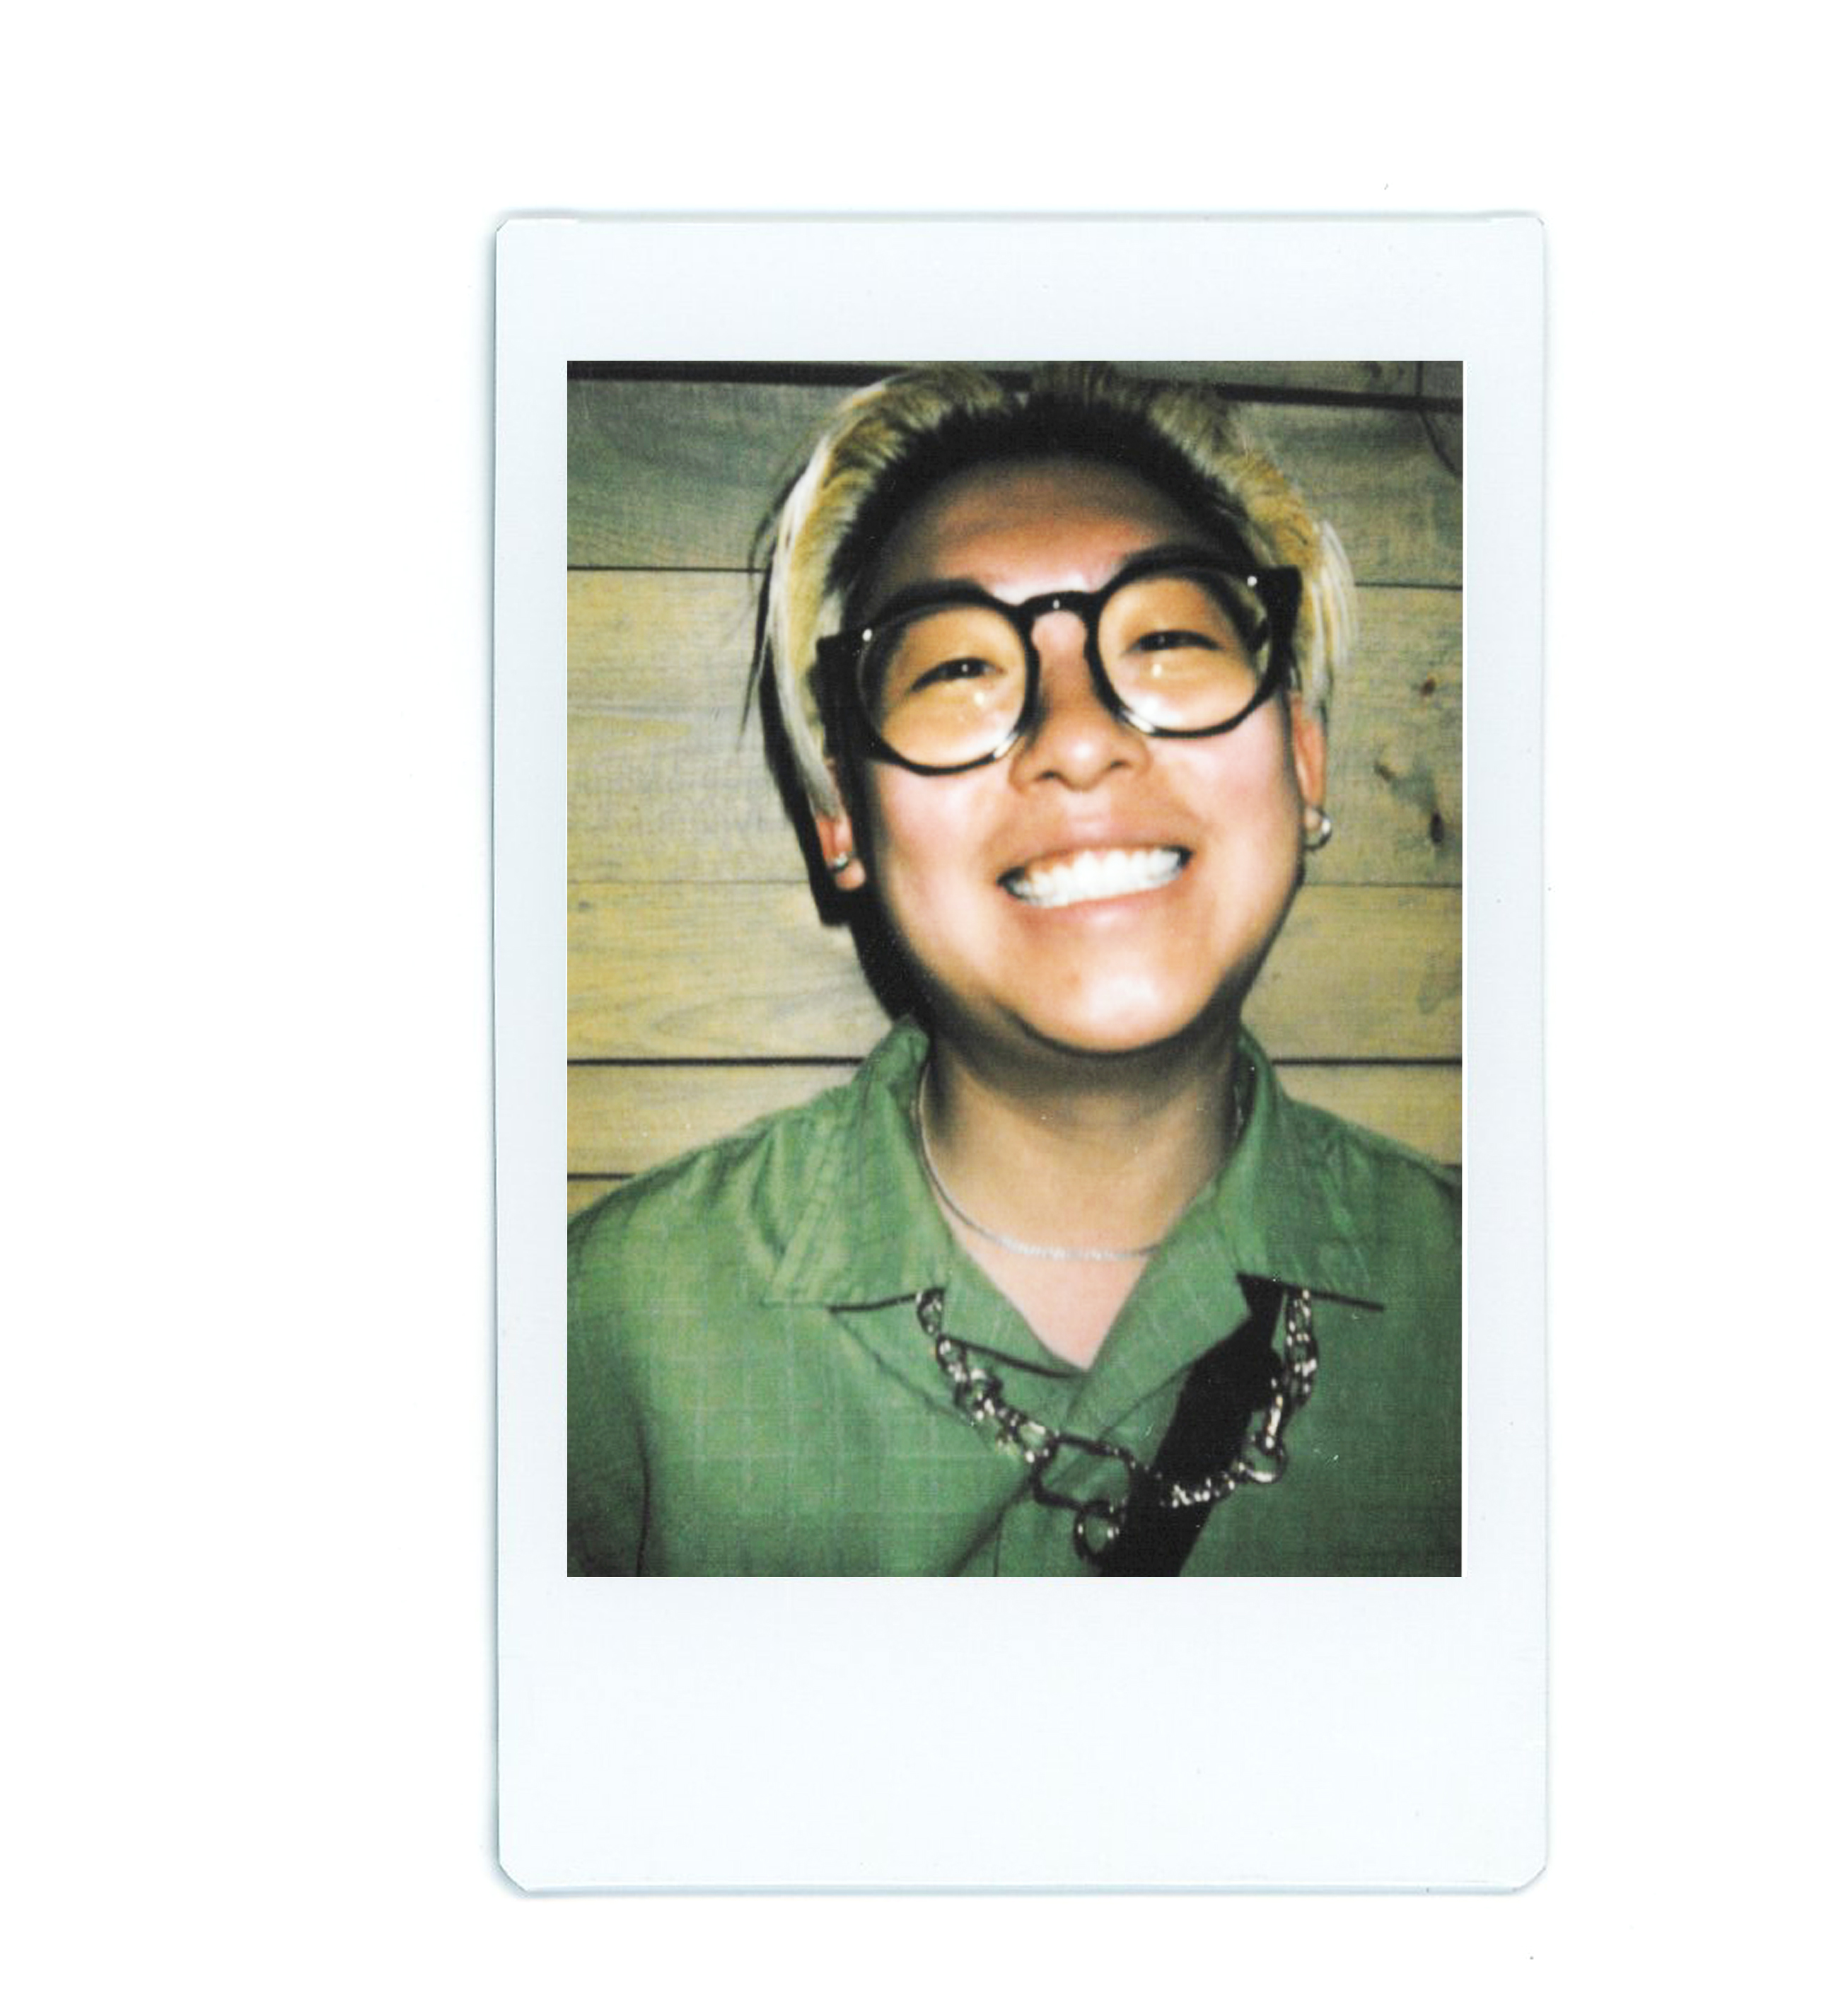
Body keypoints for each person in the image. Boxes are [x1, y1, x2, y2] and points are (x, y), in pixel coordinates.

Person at [567, 364, 1459, 1576]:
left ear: (1302, 759)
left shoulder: (1497, 1318)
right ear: (843, 818)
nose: (1079, 737)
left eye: (1168, 640)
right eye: (957, 671)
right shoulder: (610, 1333)